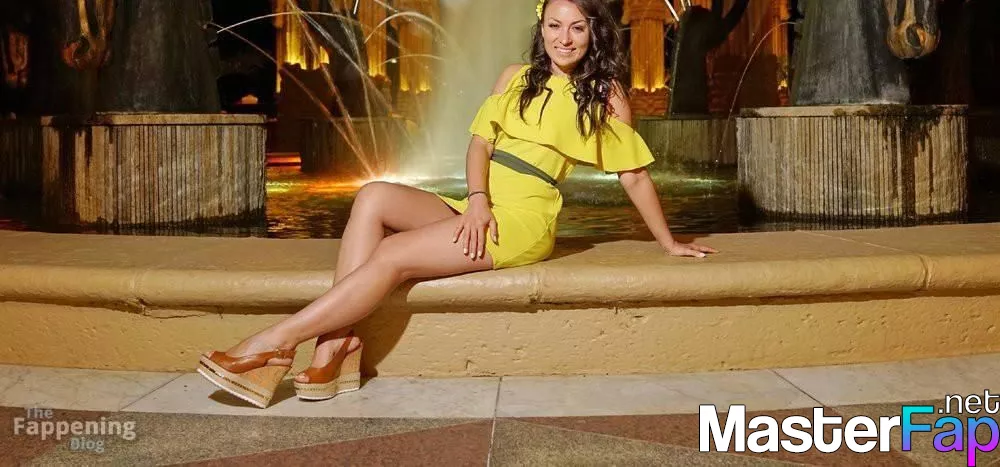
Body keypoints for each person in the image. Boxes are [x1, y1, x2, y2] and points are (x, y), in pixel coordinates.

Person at [196, 0, 719, 408]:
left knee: (393, 254)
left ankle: (274, 343)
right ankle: (336, 348)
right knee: (373, 196)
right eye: (555, 26)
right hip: (478, 202)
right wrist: (477, 201)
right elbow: (479, 146)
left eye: (577, 28)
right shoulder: (514, 76)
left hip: (523, 219)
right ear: (541, 29)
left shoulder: (605, 93)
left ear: (593, 33)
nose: (564, 38)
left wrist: (668, 242)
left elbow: (634, 175)